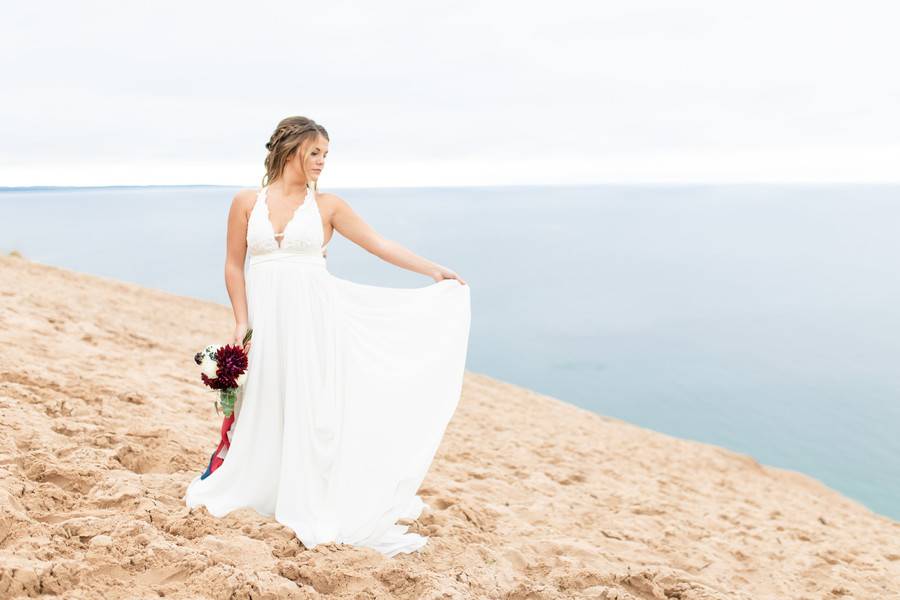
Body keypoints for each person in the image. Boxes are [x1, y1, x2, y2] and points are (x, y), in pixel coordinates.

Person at [184, 116, 472, 557]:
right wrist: (241, 322)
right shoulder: (246, 201)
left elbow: (379, 244)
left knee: (310, 404)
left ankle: (310, 491)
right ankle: (263, 484)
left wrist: (432, 269)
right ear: (290, 150)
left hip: (313, 320)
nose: (321, 162)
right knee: (264, 400)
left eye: (325, 155)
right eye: (314, 152)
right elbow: (232, 265)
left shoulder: (329, 207)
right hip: (266, 319)